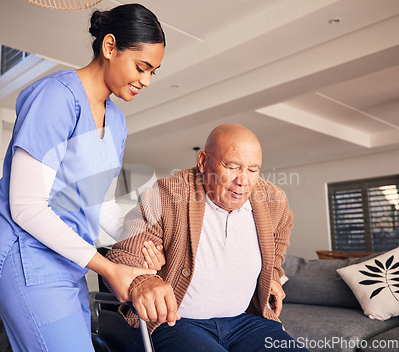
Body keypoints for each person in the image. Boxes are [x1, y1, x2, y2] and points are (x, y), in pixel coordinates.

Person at [0, 3, 166, 351]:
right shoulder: (56, 97)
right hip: (26, 255)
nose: (147, 81)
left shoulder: (118, 122)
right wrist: (109, 269)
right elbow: (26, 207)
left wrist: (142, 241)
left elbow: (101, 206)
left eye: (154, 71)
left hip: (69, 260)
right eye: (141, 67)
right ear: (109, 47)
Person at [105, 123, 309, 351]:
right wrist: (144, 281)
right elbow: (123, 257)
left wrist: (272, 274)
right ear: (202, 161)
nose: (242, 181)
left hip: (244, 321)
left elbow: (280, 232)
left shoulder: (272, 200)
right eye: (232, 167)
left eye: (253, 170)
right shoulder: (165, 196)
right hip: (177, 322)